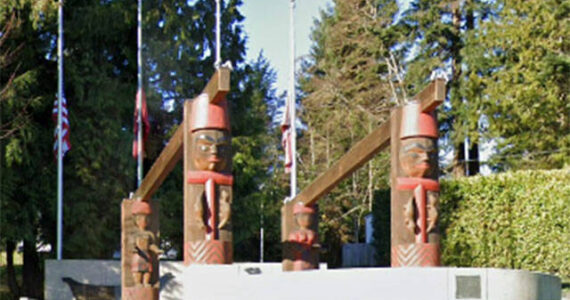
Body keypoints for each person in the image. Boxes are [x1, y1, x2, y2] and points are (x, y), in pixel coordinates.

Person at [130, 201, 163, 287]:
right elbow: (132, 244)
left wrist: (157, 250)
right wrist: (134, 248)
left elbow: (151, 245)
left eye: (145, 219)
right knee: (137, 270)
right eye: (140, 219)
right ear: (136, 221)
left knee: (147, 270)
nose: (143, 221)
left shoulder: (149, 234)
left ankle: (146, 282)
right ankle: (138, 282)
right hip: (138, 255)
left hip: (147, 255)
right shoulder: (134, 234)